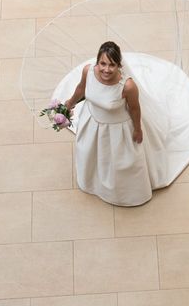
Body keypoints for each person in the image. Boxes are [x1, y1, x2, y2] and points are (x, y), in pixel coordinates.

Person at [65, 41, 154, 206]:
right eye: (102, 64)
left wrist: (138, 129)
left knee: (119, 163)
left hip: (117, 129)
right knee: (88, 151)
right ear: (97, 62)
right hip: (92, 122)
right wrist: (69, 104)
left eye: (112, 65)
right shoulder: (88, 71)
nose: (106, 69)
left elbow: (135, 109)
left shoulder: (127, 86)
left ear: (119, 65)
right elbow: (81, 89)